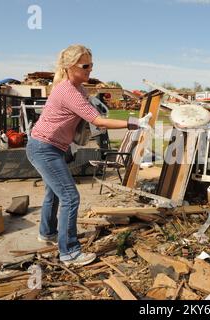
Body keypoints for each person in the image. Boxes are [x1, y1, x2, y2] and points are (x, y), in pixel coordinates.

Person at [26, 44, 150, 267]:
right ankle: (69, 252)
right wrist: (134, 123)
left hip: (51, 146)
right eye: (85, 66)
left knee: (54, 194)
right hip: (44, 148)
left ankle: (47, 233)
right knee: (70, 197)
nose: (90, 70)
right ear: (70, 66)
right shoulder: (68, 91)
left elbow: (87, 118)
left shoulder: (78, 89)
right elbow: (98, 120)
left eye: (92, 65)